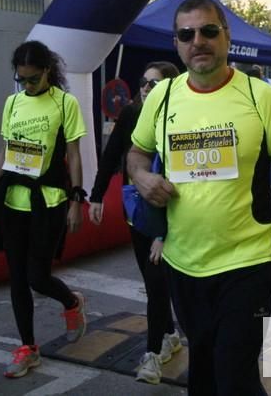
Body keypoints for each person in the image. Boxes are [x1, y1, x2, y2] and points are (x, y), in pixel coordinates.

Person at [127, 0, 271, 395]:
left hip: (247, 265)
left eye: (208, 31)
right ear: (176, 43)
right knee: (202, 375)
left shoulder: (260, 97)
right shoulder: (162, 97)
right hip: (183, 265)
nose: (197, 41)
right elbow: (137, 154)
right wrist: (141, 178)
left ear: (226, 36)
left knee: (235, 375)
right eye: (186, 34)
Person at [0, 40, 88, 379]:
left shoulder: (64, 102)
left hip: (50, 201)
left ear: (47, 72)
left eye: (33, 79)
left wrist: (75, 200)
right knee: (16, 278)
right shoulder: (12, 103)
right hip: (13, 199)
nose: (27, 85)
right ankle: (28, 347)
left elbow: (73, 153)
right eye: (21, 79)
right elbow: (5, 151)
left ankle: (71, 302)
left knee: (37, 277)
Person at [89, 61, 182, 384]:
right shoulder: (131, 113)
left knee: (158, 285)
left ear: (170, 87)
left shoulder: (179, 117)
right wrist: (97, 196)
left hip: (171, 213)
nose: (146, 87)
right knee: (153, 285)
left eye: (154, 84)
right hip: (135, 211)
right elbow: (112, 154)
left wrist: (163, 232)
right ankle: (169, 334)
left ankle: (153, 354)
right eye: (143, 81)